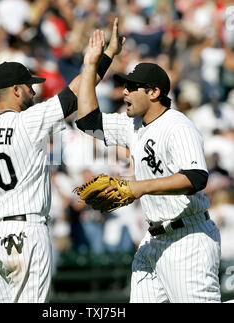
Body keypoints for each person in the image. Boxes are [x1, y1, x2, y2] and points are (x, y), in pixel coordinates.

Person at [0, 21, 124, 303]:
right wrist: (106, 57)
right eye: (30, 87)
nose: (35, 92)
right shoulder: (29, 121)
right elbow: (77, 94)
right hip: (26, 234)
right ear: (16, 90)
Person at [76, 19, 221, 303]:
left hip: (187, 238)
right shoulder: (134, 125)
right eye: (124, 86)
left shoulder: (178, 125)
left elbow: (195, 178)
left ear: (154, 92)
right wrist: (91, 65)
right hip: (153, 240)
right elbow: (87, 121)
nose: (125, 92)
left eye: (133, 87)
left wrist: (137, 187)